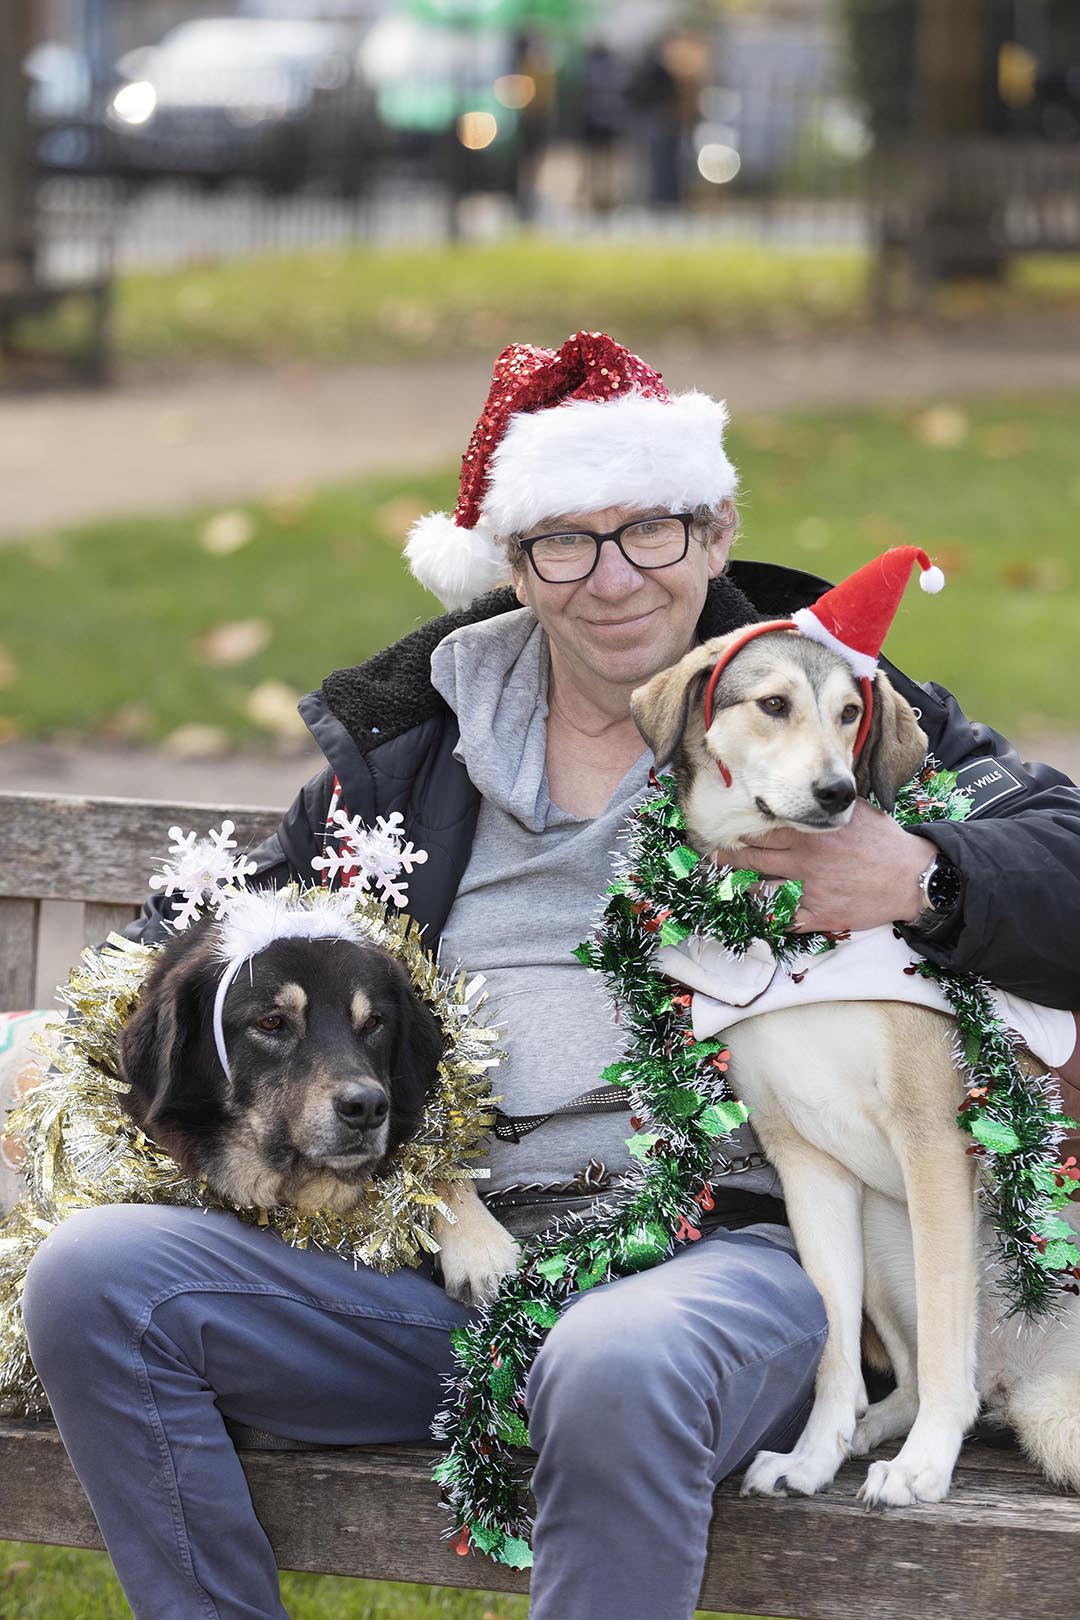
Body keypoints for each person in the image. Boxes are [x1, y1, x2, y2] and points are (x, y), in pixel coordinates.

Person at [21, 331, 1080, 1620]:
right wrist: (53, 1043)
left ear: (716, 533)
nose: (614, 576)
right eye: (564, 542)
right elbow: (198, 936)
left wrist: (921, 872)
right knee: (99, 1277)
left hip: (718, 1266)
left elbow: (1063, 853)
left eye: (652, 530)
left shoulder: (817, 696)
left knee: (613, 1359)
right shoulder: (408, 747)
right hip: (438, 1272)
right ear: (513, 565)